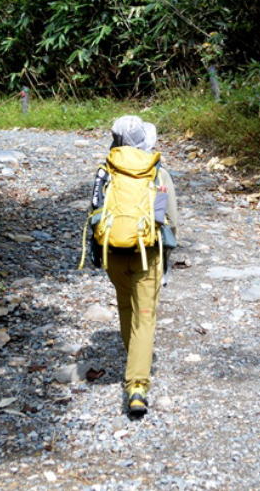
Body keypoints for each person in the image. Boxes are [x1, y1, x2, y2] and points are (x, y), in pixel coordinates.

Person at [88, 115, 178, 417]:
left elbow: (95, 211)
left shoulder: (107, 170)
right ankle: (137, 386)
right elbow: (171, 221)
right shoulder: (156, 171)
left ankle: (133, 359)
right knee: (145, 316)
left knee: (126, 308)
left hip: (113, 251)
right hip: (146, 252)